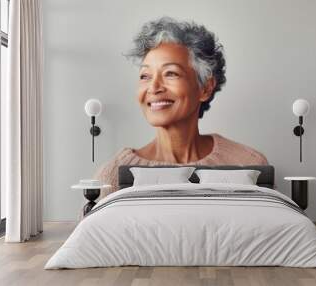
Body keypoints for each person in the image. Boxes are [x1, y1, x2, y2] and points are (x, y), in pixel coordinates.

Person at [94, 17, 268, 199]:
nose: (154, 88)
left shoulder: (248, 163)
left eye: (171, 73)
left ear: (205, 88)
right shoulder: (112, 176)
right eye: (145, 76)